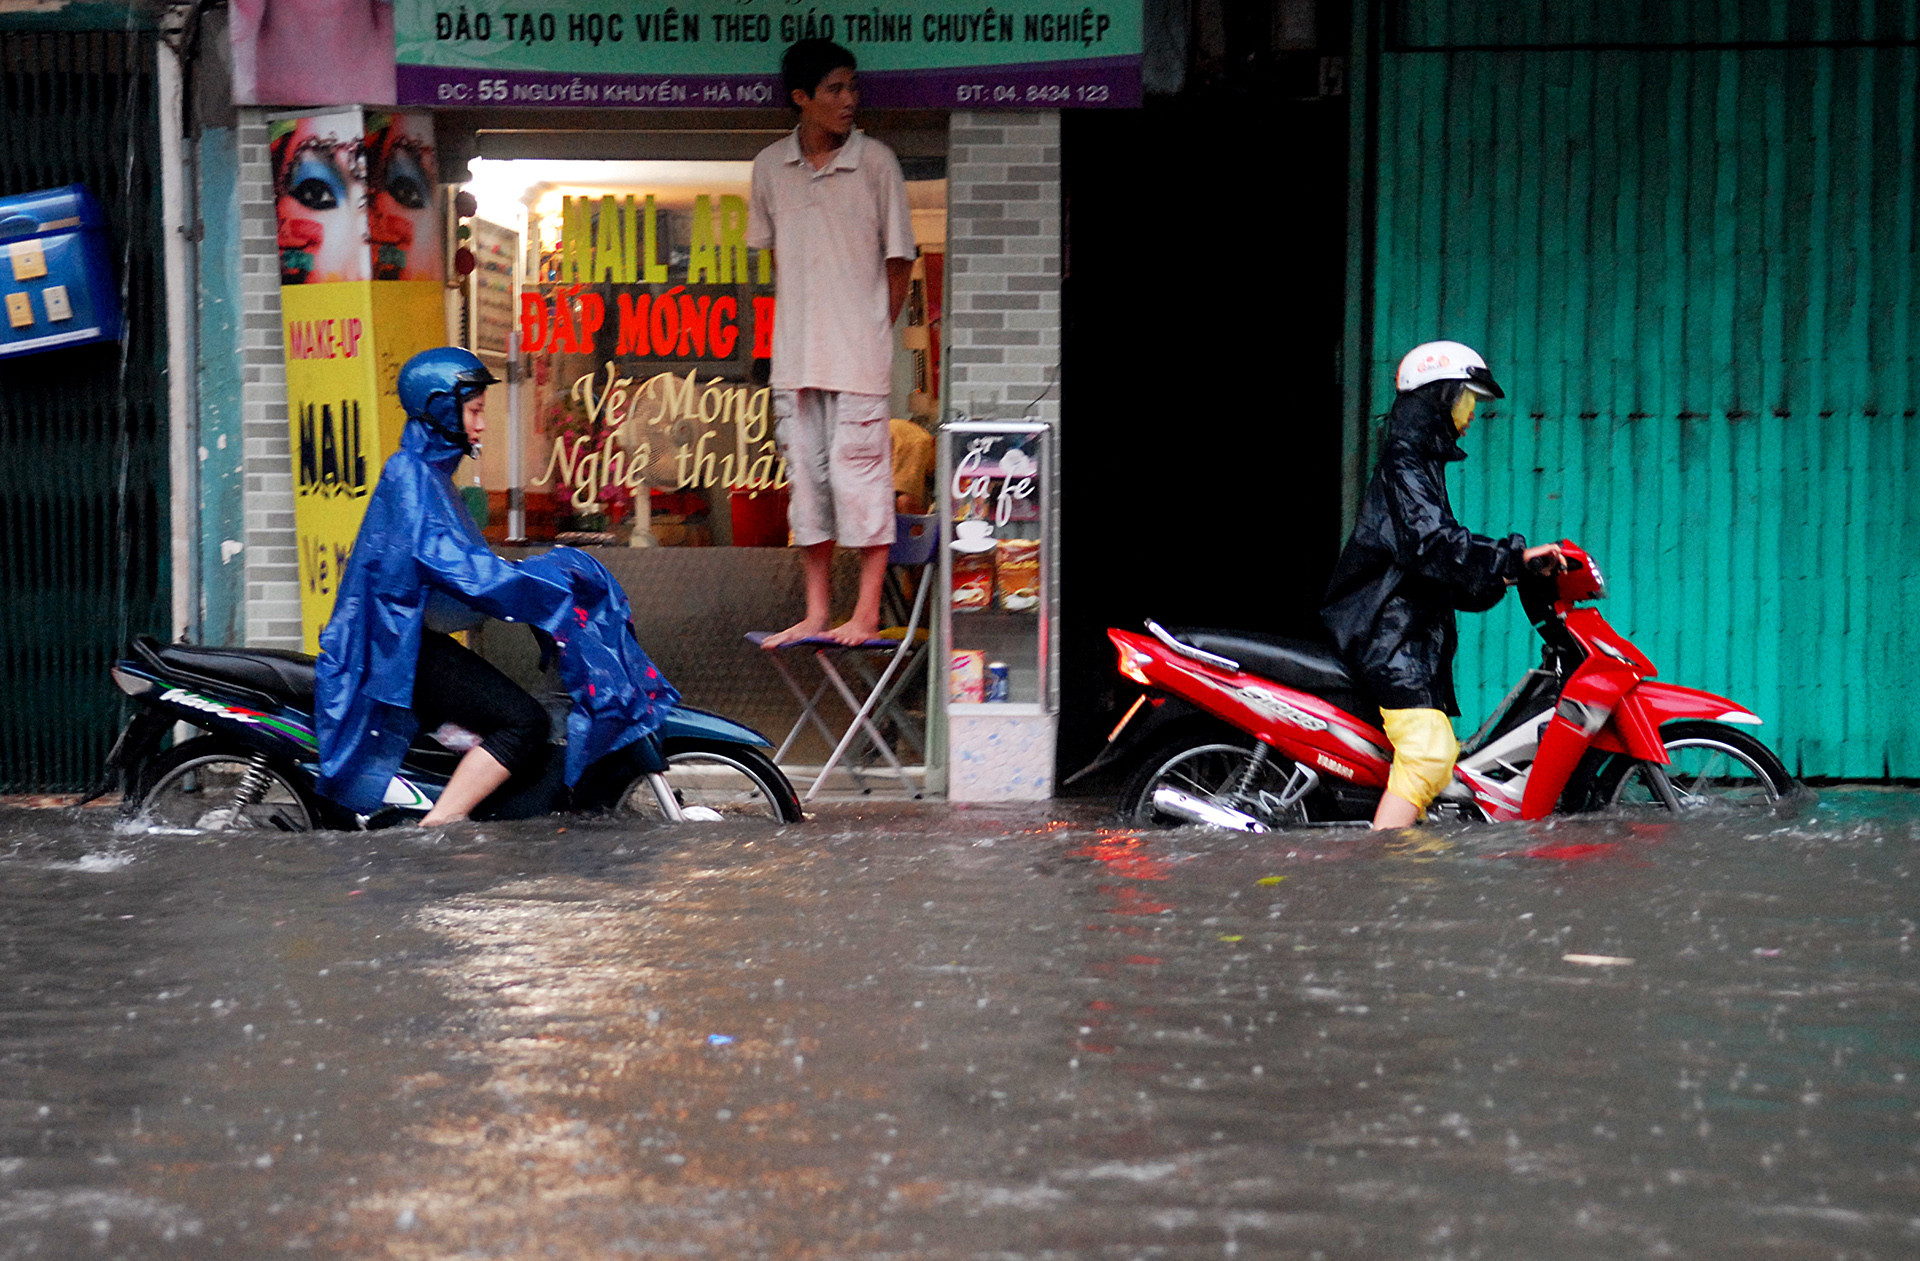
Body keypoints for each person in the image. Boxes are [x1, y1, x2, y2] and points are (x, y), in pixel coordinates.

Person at [315, 347, 678, 824]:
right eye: (475, 411)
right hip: (393, 650)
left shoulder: (433, 476)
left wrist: (534, 577)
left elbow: (467, 562)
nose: (482, 425)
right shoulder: (409, 475)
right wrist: (539, 590)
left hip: (406, 643)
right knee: (522, 722)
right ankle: (439, 827)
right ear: (442, 409)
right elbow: (452, 564)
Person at [1321, 341, 1564, 831]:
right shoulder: (1405, 463)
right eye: (1466, 399)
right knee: (1430, 755)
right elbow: (1433, 544)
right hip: (1387, 631)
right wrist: (1511, 558)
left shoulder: (1419, 464)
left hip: (1406, 631)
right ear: (1439, 398)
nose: (1472, 412)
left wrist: (1502, 571)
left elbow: (1436, 561)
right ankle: (1383, 867)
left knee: (1438, 755)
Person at [747, 39, 917, 648]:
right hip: (795, 360)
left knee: (864, 482)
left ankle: (866, 612)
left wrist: (874, 332)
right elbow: (776, 262)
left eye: (853, 87)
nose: (849, 100)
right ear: (802, 98)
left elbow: (900, 263)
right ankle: (817, 612)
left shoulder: (877, 163)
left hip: (859, 362)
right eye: (835, 89)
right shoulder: (770, 167)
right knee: (808, 486)